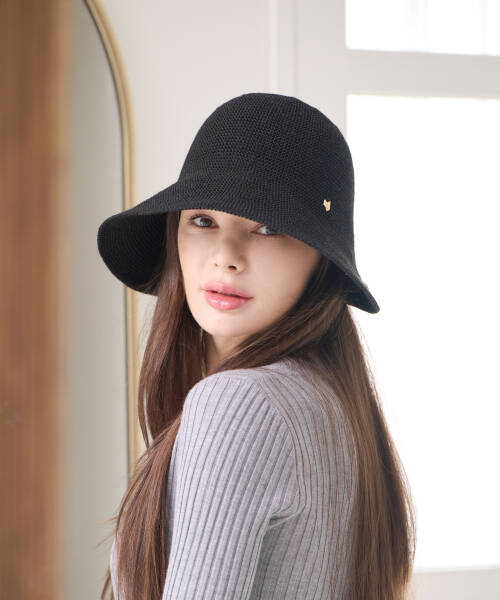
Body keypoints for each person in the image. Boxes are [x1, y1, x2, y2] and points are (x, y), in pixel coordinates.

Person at [97, 92, 416, 600]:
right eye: (203, 220)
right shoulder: (337, 403)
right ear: (175, 233)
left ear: (321, 259)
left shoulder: (239, 403)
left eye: (267, 227)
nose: (226, 255)